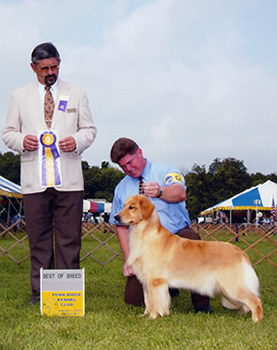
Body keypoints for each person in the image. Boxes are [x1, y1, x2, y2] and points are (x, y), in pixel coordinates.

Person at [2, 42, 97, 304]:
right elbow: (7, 134)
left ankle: (68, 294)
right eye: (44, 68)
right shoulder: (18, 96)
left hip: (70, 180)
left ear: (59, 63)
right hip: (34, 182)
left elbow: (89, 129)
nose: (50, 72)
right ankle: (40, 293)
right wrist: (23, 141)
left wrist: (76, 141)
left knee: (69, 239)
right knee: (39, 240)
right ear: (33, 68)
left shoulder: (77, 93)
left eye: (54, 66)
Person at [109, 137, 212, 313]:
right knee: (133, 300)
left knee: (193, 243)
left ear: (139, 153)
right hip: (144, 245)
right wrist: (130, 259)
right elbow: (121, 226)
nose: (127, 169)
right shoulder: (121, 188)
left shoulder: (165, 171)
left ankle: (202, 304)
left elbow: (180, 193)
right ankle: (169, 286)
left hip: (177, 235)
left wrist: (161, 191)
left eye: (130, 162)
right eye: (122, 167)